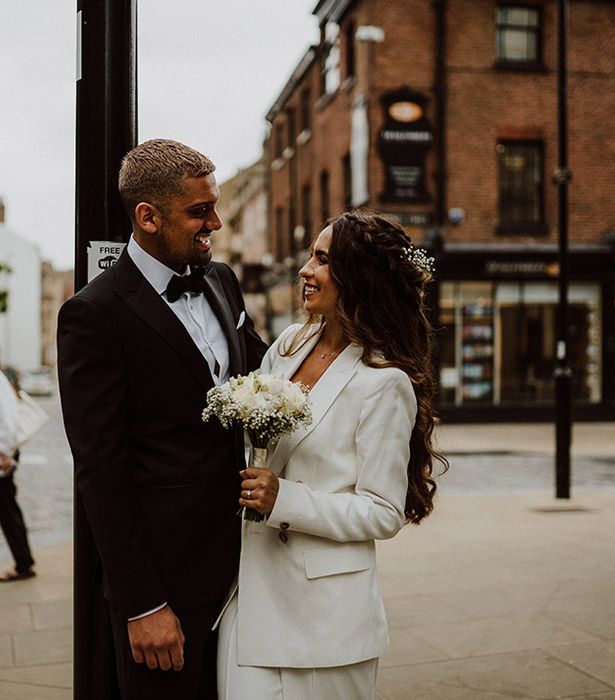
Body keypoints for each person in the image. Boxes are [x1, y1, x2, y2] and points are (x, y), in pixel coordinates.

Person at [57, 138, 268, 699]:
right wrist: (143, 603)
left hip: (246, 566)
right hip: (166, 583)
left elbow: (264, 370)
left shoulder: (221, 280)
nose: (216, 223)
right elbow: (100, 471)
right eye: (200, 211)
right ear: (147, 217)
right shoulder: (93, 315)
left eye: (215, 206)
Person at [217, 210, 448, 699]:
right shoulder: (288, 345)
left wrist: (285, 499)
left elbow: (383, 511)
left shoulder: (384, 382)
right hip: (250, 591)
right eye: (311, 256)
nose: (305, 269)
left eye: (322, 260)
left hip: (325, 620)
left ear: (356, 277)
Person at [0, 367, 35, 582]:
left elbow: (6, 418)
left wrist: (3, 453)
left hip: (3, 456)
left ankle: (24, 564)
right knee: (8, 510)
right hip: (4, 453)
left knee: (8, 510)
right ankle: (24, 562)